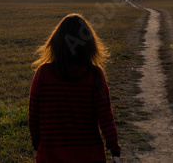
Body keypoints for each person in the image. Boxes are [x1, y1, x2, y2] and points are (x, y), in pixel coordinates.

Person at [28, 13, 121, 163]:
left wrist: (38, 145)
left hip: (51, 155)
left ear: (56, 43)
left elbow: (34, 117)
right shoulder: (95, 75)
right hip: (89, 155)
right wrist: (114, 150)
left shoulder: (43, 74)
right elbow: (105, 117)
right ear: (89, 44)